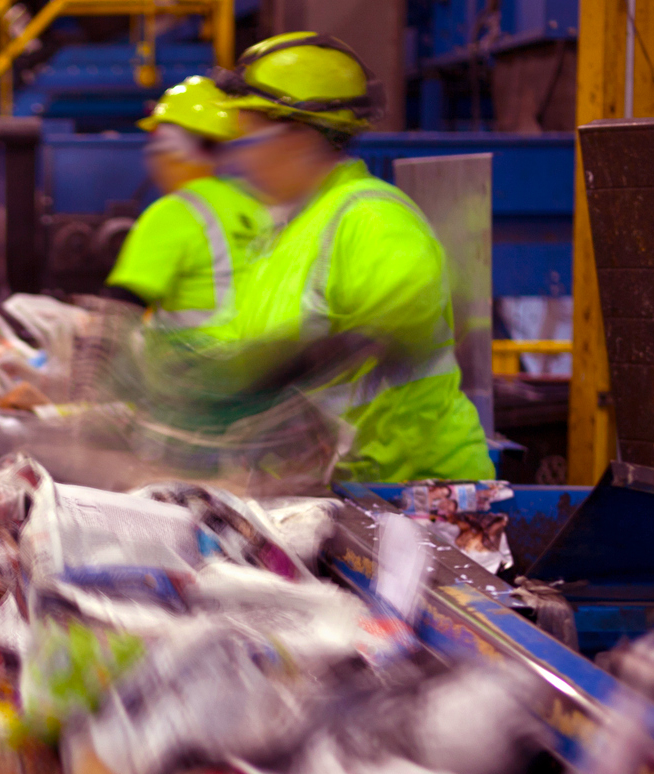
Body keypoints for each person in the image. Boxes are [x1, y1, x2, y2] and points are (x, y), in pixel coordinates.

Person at [217, 34, 492, 482]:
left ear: (297, 137)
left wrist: (295, 366)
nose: (239, 155)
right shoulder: (286, 231)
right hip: (341, 493)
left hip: (419, 503)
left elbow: (403, 324)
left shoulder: (371, 217)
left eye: (247, 135)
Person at [104, 76, 269, 336]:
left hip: (193, 369)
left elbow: (119, 313)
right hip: (266, 365)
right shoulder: (259, 206)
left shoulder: (175, 213)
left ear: (173, 151)